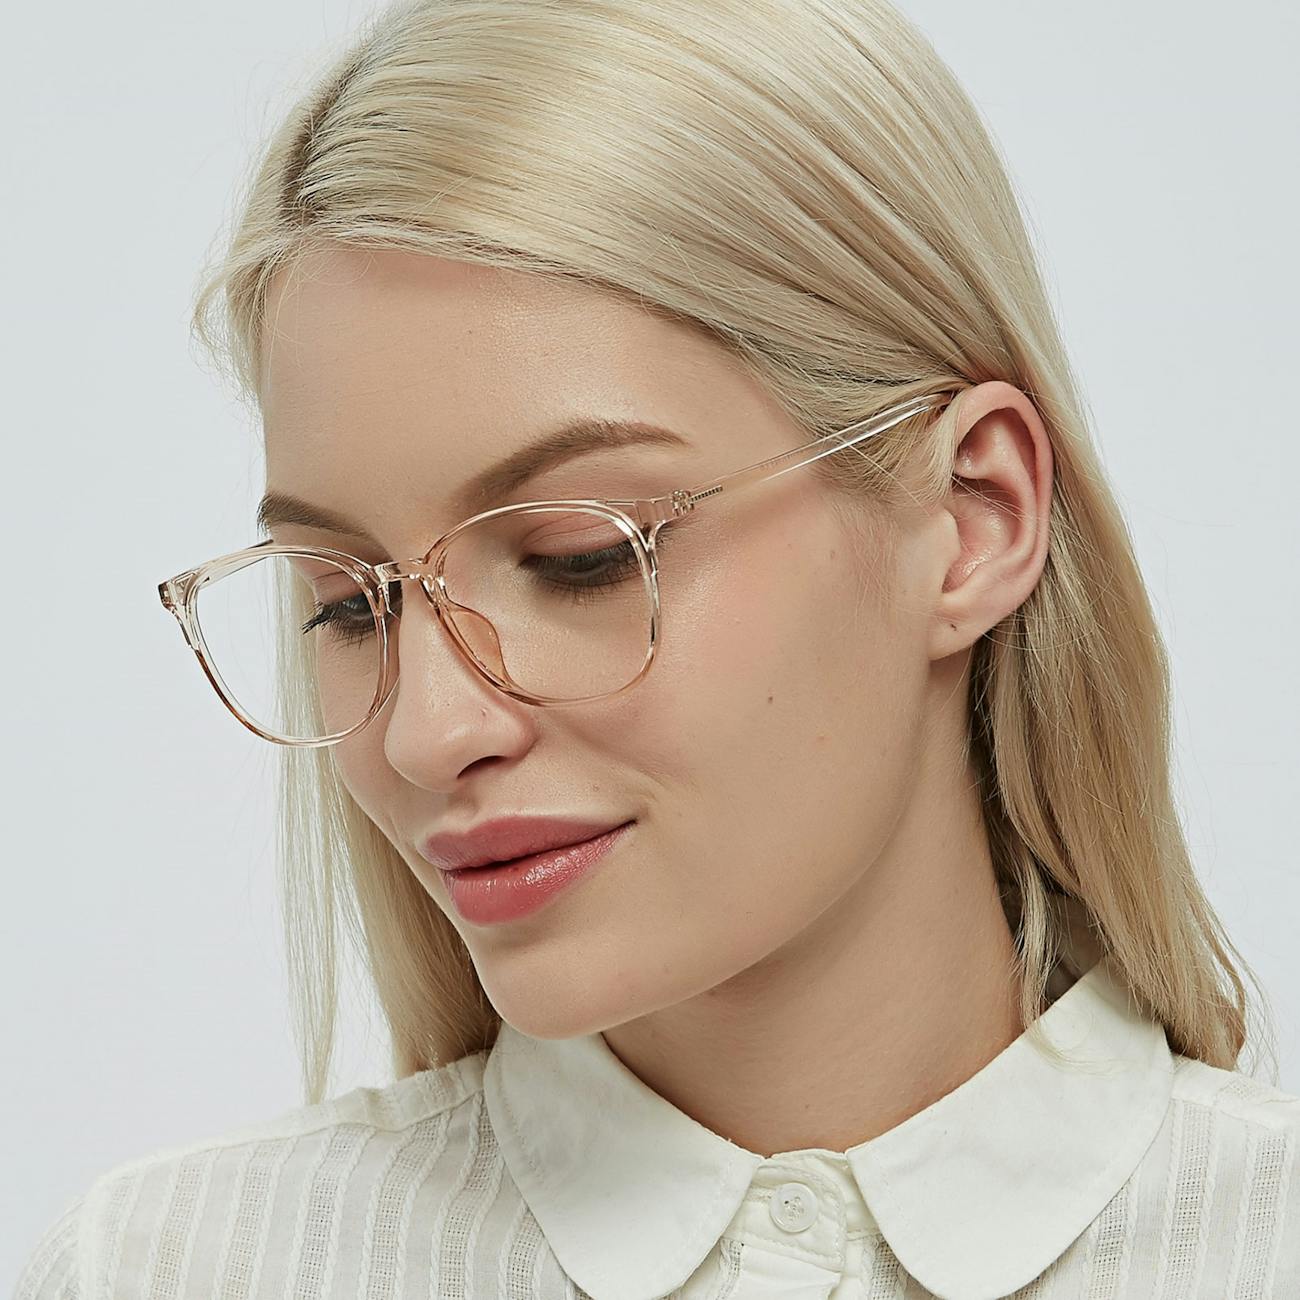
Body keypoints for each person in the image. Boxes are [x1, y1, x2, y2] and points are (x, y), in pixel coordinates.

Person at [16, 0, 1299, 1296]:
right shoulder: (171, 1268)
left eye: (581, 554)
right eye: (349, 605)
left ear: (972, 519)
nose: (426, 731)